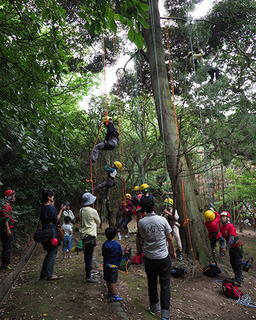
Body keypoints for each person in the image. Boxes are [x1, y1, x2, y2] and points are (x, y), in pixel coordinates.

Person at [138, 197, 176, 320]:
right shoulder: (162, 220)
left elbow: (141, 237)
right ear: (154, 207)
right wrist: (173, 251)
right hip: (163, 257)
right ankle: (165, 314)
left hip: (149, 257)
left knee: (152, 282)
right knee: (165, 285)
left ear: (143, 209)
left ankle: (154, 308)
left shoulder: (141, 222)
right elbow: (169, 238)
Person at [40, 189, 66, 280]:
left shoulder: (43, 207)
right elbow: (56, 219)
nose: (53, 197)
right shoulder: (50, 207)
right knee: (52, 253)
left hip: (45, 231)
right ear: (49, 197)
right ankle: (50, 274)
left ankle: (44, 273)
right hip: (51, 233)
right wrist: (61, 210)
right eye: (52, 196)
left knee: (49, 252)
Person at [79, 192, 101, 283]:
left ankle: (90, 269)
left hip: (83, 236)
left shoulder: (81, 210)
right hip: (90, 236)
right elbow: (98, 221)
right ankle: (88, 276)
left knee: (87, 255)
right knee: (89, 256)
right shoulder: (93, 211)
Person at [220, 211, 244, 286]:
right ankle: (238, 277)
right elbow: (222, 238)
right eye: (222, 217)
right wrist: (222, 247)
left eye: (224, 217)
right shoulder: (221, 227)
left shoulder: (230, 226)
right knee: (233, 263)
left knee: (237, 263)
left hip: (236, 246)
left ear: (228, 218)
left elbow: (231, 240)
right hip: (231, 247)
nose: (223, 218)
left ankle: (239, 280)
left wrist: (226, 249)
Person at [102, 226, 123, 302]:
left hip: (106, 264)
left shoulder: (105, 244)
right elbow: (120, 254)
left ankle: (109, 292)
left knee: (108, 279)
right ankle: (113, 295)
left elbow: (103, 253)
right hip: (114, 265)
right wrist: (119, 262)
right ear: (114, 235)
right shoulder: (117, 245)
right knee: (113, 281)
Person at [1, 190, 16, 272]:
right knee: (7, 247)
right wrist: (8, 230)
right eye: (13, 196)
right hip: (7, 229)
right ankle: (5, 266)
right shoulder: (6, 206)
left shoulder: (7, 205)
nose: (14, 198)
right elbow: (6, 219)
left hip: (9, 227)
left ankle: (7, 263)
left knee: (8, 246)